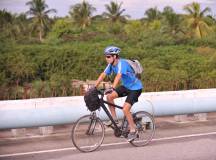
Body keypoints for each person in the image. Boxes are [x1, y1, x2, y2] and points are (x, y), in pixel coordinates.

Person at [95, 46, 143, 141]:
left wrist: (113, 88)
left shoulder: (122, 63)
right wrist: (94, 86)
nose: (106, 58)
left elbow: (118, 75)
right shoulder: (111, 65)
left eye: (108, 56)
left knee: (125, 109)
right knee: (109, 97)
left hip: (135, 88)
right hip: (126, 86)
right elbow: (103, 74)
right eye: (106, 56)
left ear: (115, 56)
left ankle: (133, 130)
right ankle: (115, 120)